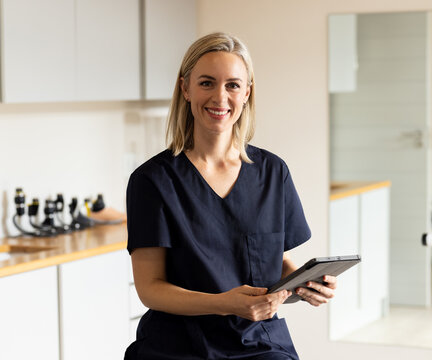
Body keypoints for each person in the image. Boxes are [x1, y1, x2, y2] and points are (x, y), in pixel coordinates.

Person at [125, 32, 337, 360]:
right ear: (185, 88)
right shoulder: (152, 181)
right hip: (177, 345)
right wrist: (225, 303)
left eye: (233, 85)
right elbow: (150, 289)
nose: (220, 97)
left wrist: (301, 283)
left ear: (247, 92)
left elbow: (272, 260)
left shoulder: (272, 173)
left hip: (257, 343)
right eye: (207, 83)